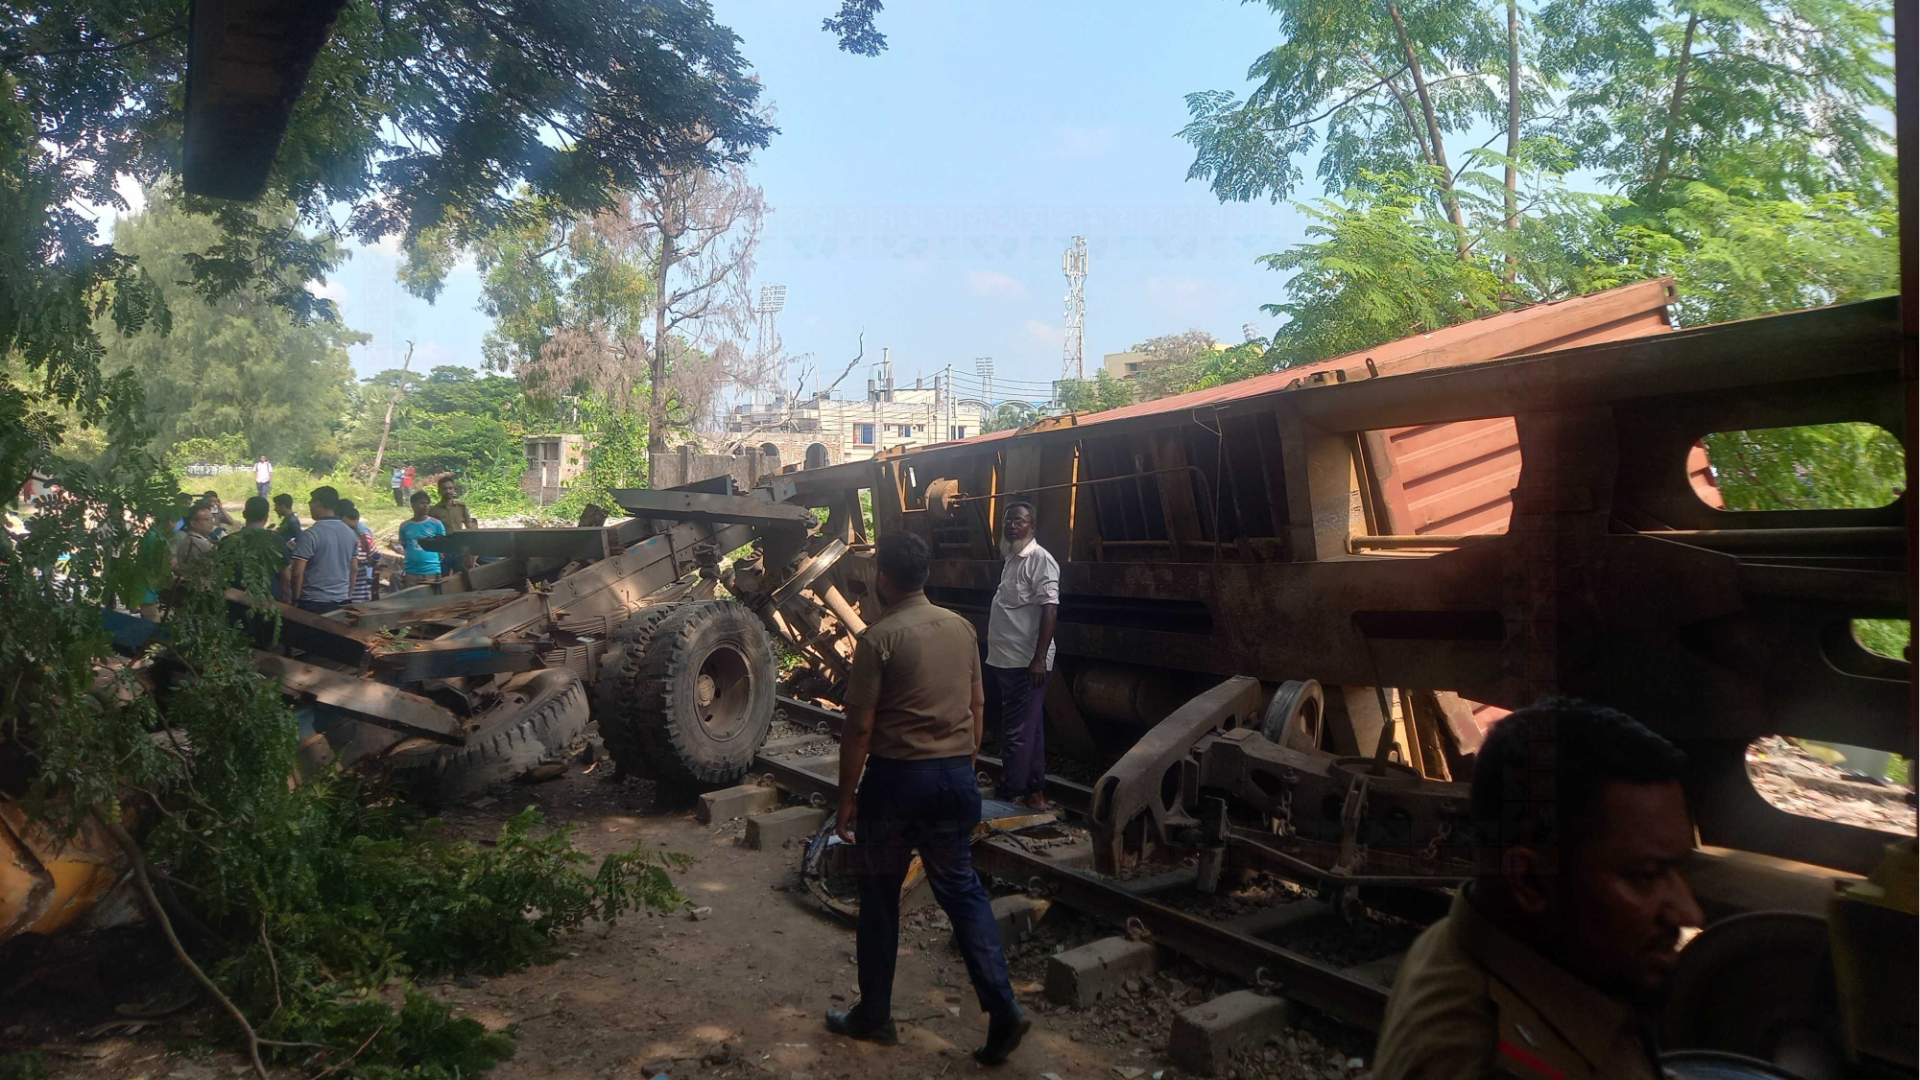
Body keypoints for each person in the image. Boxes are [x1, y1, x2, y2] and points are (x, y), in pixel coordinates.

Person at [1371, 697, 1704, 1080]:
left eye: (1678, 870)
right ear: (1529, 880)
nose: (1689, 913)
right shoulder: (1488, 1060)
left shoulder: (1464, 936)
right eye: (1645, 876)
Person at [827, 531, 1031, 1067]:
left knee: (878, 897)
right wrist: (962, 767)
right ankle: (1003, 1007)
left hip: (896, 786)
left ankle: (875, 1015)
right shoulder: (961, 628)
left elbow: (858, 729)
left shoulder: (879, 638)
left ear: (884, 579)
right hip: (954, 781)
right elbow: (978, 705)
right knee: (963, 892)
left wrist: (846, 798)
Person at [984, 500, 1058, 811]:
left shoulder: (1039, 559)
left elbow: (1050, 607)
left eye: (1019, 521)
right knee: (1031, 729)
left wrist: (1039, 658)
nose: (1012, 525)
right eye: (1008, 521)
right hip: (1007, 659)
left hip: (1024, 662)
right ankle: (1035, 794)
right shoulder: (1012, 557)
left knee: (1015, 731)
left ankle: (1008, 796)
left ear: (1032, 527)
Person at [284, 486, 360, 615]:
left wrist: (295, 599)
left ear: (318, 504)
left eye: (310, 502)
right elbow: (354, 568)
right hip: (342, 601)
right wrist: (348, 595)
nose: (309, 506)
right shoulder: (351, 533)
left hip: (313, 602)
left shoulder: (310, 534)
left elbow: (297, 572)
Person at [222, 495, 286, 598]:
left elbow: (221, 574)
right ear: (266, 517)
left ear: (244, 514)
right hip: (270, 601)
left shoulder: (228, 541)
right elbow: (286, 575)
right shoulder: (277, 540)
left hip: (236, 599)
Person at [397, 490, 446, 588]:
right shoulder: (404, 526)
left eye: (427, 503)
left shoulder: (436, 524)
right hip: (411, 571)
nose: (426, 506)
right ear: (413, 505)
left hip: (432, 571)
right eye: (422, 503)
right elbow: (405, 545)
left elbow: (443, 546)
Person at [428, 474, 477, 570]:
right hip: (444, 549)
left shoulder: (461, 507)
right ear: (439, 490)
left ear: (454, 489)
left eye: (450, 488)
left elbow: (469, 528)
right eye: (444, 489)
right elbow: (431, 533)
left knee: (462, 577)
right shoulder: (433, 511)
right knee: (444, 578)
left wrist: (471, 548)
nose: (448, 491)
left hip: (460, 548)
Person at [338, 499, 380, 603]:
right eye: (346, 527)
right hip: (337, 590)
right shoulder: (332, 539)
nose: (350, 532)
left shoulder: (365, 539)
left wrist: (373, 561)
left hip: (359, 590)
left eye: (353, 528)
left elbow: (375, 559)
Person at [169, 501, 217, 582]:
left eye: (212, 518)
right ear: (193, 523)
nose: (212, 522)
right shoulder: (199, 543)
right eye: (206, 519)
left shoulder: (189, 539)